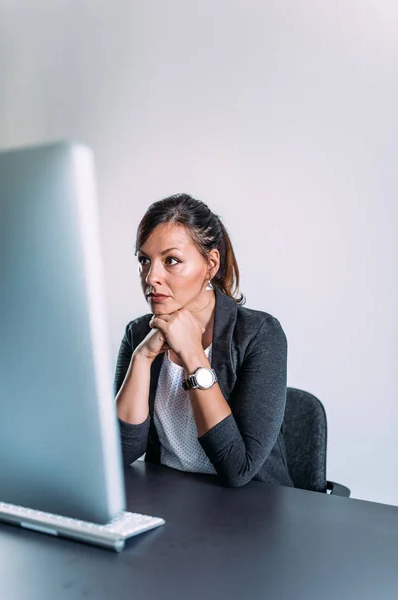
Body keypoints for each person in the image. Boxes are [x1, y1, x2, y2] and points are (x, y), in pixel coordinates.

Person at [114, 193, 293, 488]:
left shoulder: (260, 334)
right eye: (144, 260)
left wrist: (193, 355)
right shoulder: (137, 334)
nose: (151, 276)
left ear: (210, 264)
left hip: (252, 511)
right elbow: (121, 452)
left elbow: (238, 469)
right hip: (170, 501)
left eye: (171, 260)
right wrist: (142, 358)